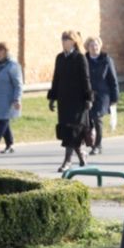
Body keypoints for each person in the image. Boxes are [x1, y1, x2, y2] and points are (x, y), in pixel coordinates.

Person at [48, 31, 92, 172]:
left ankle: (67, 161)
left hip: (78, 101)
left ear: (73, 42)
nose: (63, 41)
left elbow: (86, 79)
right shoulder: (60, 58)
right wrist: (52, 97)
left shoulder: (79, 58)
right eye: (63, 39)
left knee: (73, 130)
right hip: (64, 100)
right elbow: (56, 78)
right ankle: (81, 155)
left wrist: (88, 98)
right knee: (67, 130)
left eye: (66, 39)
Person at [83, 37, 119, 156]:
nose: (95, 47)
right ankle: (89, 141)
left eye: (97, 45)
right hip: (88, 94)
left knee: (97, 118)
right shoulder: (84, 60)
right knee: (88, 120)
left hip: (102, 95)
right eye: (92, 45)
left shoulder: (106, 60)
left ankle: (98, 146)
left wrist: (115, 98)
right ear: (88, 47)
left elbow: (113, 80)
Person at [0, 42, 24, 155]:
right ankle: (10, 144)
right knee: (4, 120)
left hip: (9, 100)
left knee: (3, 120)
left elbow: (18, 84)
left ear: (6, 53)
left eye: (1, 51)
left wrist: (17, 99)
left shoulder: (13, 66)